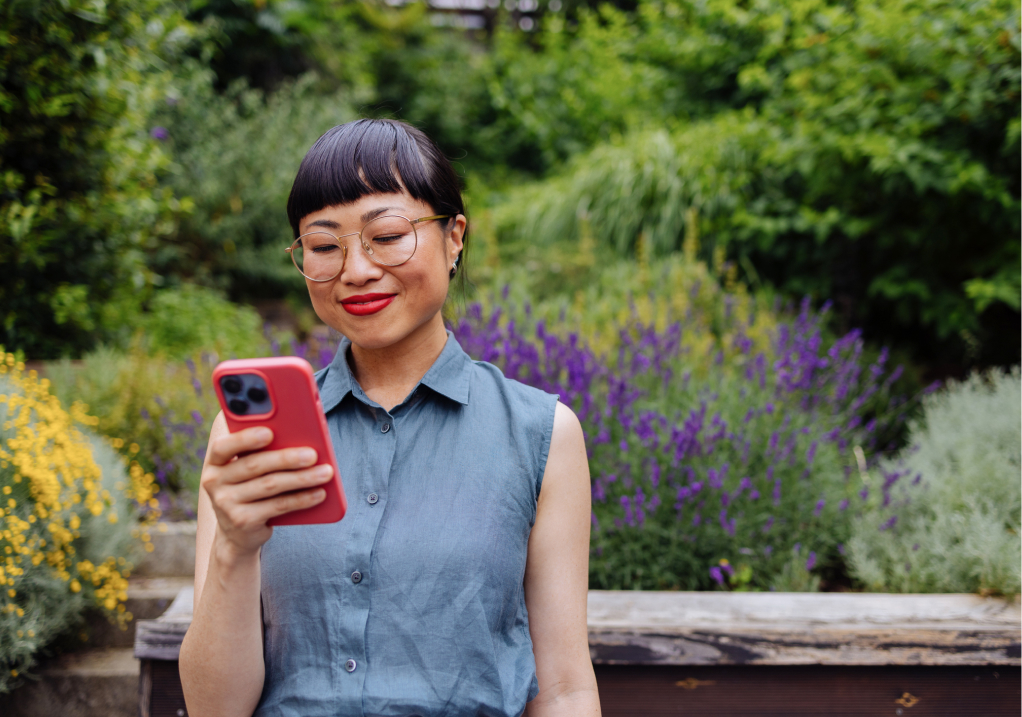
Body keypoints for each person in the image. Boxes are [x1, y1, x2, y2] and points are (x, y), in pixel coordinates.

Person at [179, 119, 601, 717]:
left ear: (454, 237)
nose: (355, 270)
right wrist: (234, 550)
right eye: (325, 246)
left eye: (387, 235)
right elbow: (213, 708)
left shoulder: (542, 435)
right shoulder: (247, 439)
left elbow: (563, 688)